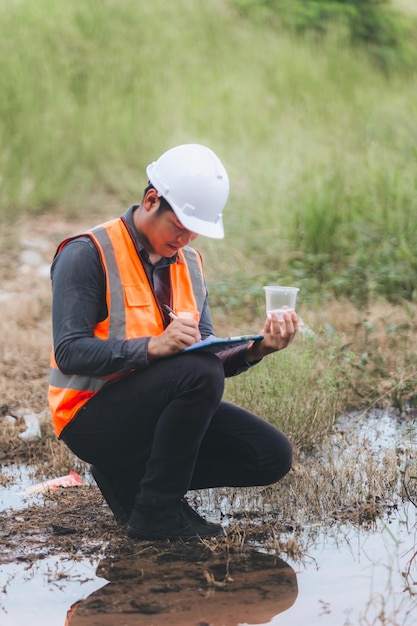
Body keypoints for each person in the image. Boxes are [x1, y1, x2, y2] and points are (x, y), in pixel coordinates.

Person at [48, 143, 298, 542]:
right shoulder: (87, 253)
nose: (185, 238)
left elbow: (207, 358)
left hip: (154, 408)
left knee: (269, 455)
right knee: (196, 372)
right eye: (179, 225)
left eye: (195, 229)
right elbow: (70, 351)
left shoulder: (191, 264)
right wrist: (153, 347)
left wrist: (257, 349)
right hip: (90, 419)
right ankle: (156, 513)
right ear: (151, 201)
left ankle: (130, 479)